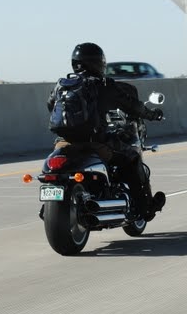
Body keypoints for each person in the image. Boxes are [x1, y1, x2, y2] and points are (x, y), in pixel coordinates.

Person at [47, 42, 166, 220]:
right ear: (98, 62)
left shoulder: (62, 85)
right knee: (131, 158)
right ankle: (145, 208)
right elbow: (132, 105)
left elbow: (50, 106)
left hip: (63, 143)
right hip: (95, 142)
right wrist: (152, 114)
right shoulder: (102, 85)